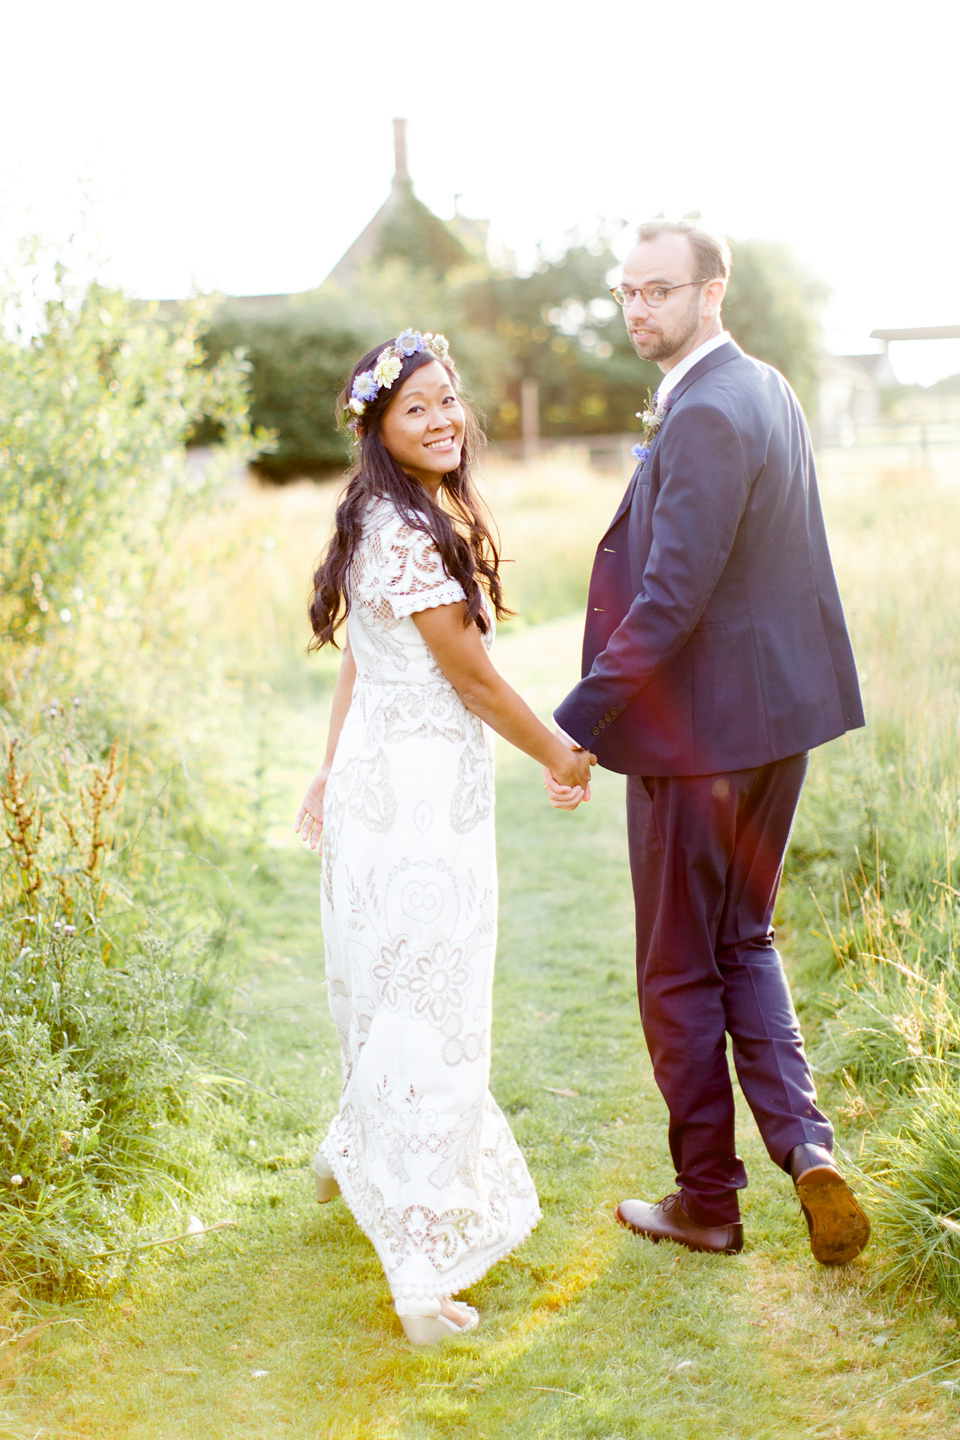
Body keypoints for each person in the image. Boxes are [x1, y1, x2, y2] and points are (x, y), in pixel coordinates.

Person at [546, 219, 870, 1265]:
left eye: (658, 290)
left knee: (678, 967)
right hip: (780, 730)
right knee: (744, 940)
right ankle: (808, 1147)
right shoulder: (765, 389)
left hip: (704, 747)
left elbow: (671, 594)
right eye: (626, 292)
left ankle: (706, 1200)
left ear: (712, 291)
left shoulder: (706, 414)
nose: (638, 309)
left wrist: (581, 720)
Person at [295, 329, 595, 1345]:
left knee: (390, 985)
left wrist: (332, 772)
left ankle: (349, 1145)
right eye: (416, 406)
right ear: (380, 427)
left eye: (449, 399)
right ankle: (421, 1275)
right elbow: (469, 680)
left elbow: (356, 663)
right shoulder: (407, 531)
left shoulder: (391, 519)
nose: (442, 419)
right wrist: (560, 753)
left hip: (389, 790)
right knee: (431, 1003)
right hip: (417, 809)